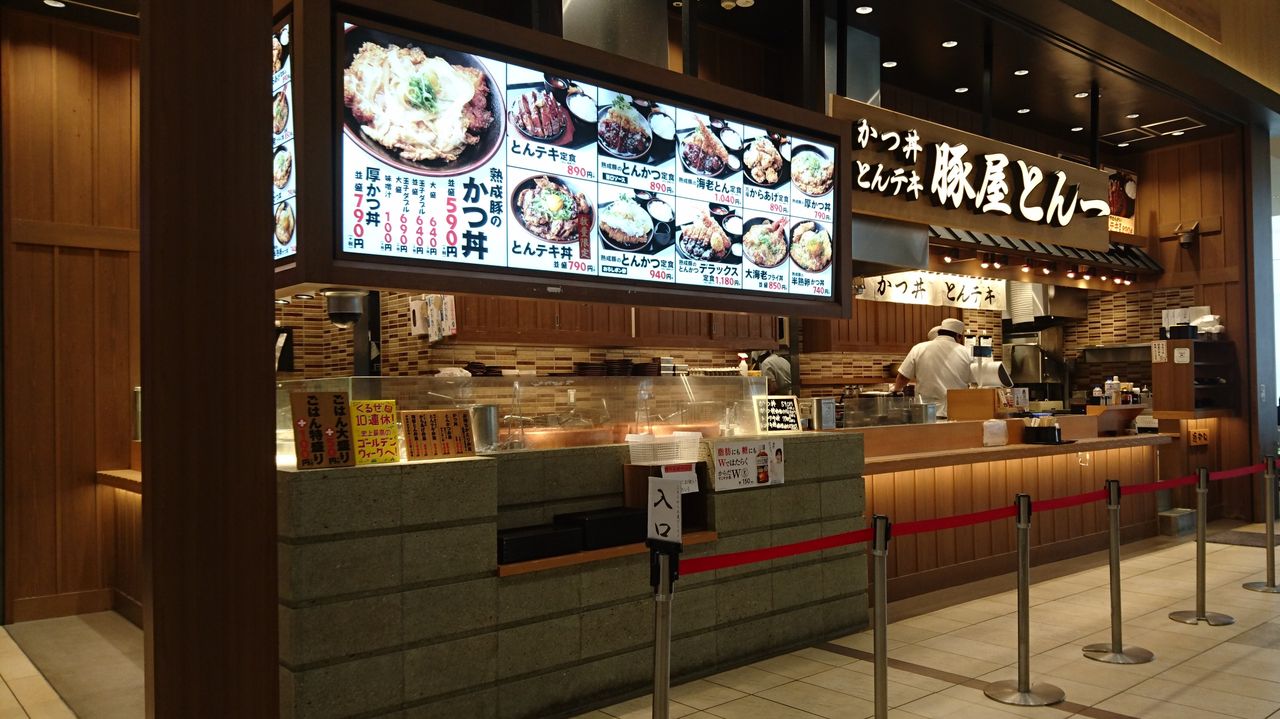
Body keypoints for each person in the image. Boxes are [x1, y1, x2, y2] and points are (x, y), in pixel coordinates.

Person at [893, 317, 973, 418]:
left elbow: (902, 377)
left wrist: (896, 394)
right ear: (958, 336)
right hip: (956, 413)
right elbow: (975, 382)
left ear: (940, 332)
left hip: (925, 413)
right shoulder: (967, 352)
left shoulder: (918, 348)